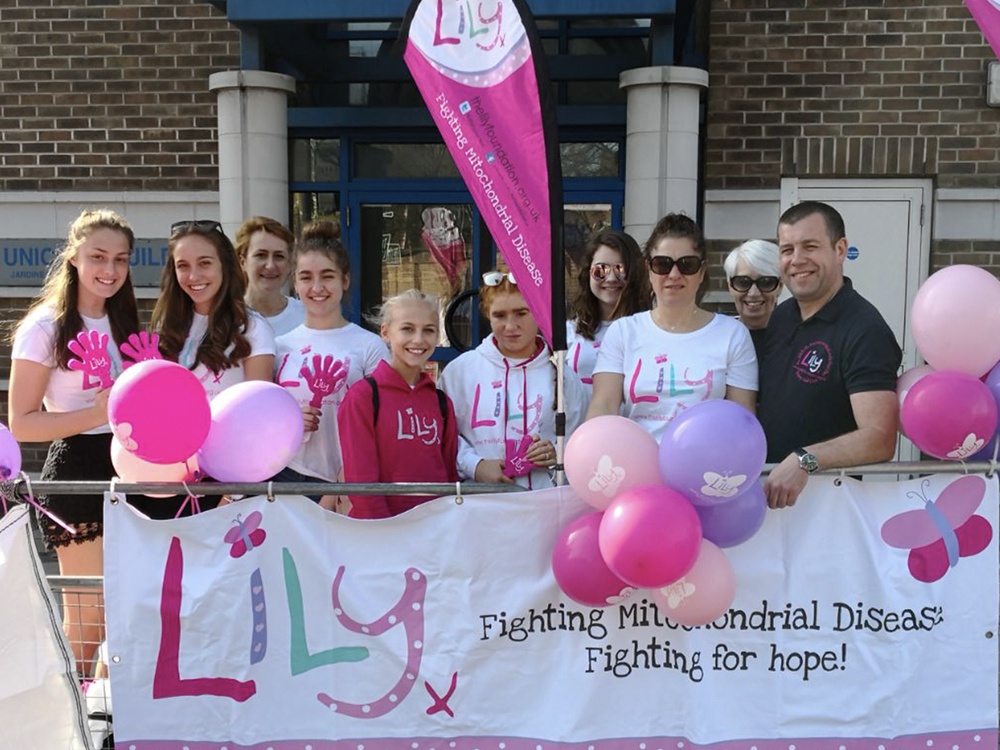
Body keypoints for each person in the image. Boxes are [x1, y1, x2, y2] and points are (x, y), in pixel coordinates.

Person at [8, 208, 140, 676]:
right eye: (98, 257)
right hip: (78, 467)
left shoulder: (126, 322)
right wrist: (95, 413)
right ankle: (68, 725)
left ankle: (102, 717)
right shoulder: (45, 327)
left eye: (121, 260)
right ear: (74, 259)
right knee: (88, 616)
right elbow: (21, 423)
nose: (110, 271)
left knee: (127, 613)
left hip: (134, 468)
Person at [758, 201, 901, 509]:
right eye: (786, 249)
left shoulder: (865, 329)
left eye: (810, 246)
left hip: (830, 512)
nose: (797, 260)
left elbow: (880, 437)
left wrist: (805, 459)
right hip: (769, 505)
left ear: (840, 249)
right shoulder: (782, 316)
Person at [586, 213, 758, 441]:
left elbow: (742, 420)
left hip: (704, 470)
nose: (674, 275)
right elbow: (603, 406)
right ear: (649, 269)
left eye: (687, 265)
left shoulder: (732, 335)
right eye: (662, 264)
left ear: (702, 272)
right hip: (636, 469)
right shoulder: (623, 332)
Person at [271, 221, 388, 507]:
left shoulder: (369, 347)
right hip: (284, 477)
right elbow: (263, 420)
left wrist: (344, 483)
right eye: (306, 277)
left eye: (327, 276)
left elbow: (382, 425)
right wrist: (291, 419)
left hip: (345, 482)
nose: (317, 287)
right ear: (295, 283)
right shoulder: (277, 346)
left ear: (344, 280)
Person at [439, 270, 587, 489]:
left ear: (538, 312)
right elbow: (443, 435)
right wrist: (475, 465)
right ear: (488, 315)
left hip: (543, 509)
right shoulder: (460, 371)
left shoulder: (565, 376)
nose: (510, 326)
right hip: (478, 507)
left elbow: (581, 440)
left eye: (521, 313)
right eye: (499, 315)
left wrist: (556, 453)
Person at [338, 290, 459, 518]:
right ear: (385, 332)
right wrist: (385, 532)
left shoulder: (441, 402)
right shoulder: (363, 396)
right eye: (407, 329)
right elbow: (361, 481)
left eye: (429, 331)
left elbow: (449, 477)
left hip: (434, 533)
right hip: (382, 535)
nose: (418, 340)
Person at [151, 220, 275, 400]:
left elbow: (260, 408)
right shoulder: (167, 325)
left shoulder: (253, 328)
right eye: (183, 265)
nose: (194, 276)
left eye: (205, 263)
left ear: (224, 265)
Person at [566, 228, 651, 395]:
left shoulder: (650, 330)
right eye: (601, 270)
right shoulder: (569, 332)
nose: (611, 279)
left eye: (621, 270)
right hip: (581, 421)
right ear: (588, 273)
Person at [235, 216, 304, 336]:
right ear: (242, 262)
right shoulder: (226, 320)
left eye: (279, 256)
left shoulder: (307, 317)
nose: (270, 266)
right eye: (261, 255)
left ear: (289, 264)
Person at [723, 239, 782, 351]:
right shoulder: (718, 337)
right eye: (743, 282)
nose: (754, 293)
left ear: (780, 286)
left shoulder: (796, 339)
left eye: (766, 282)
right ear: (730, 286)